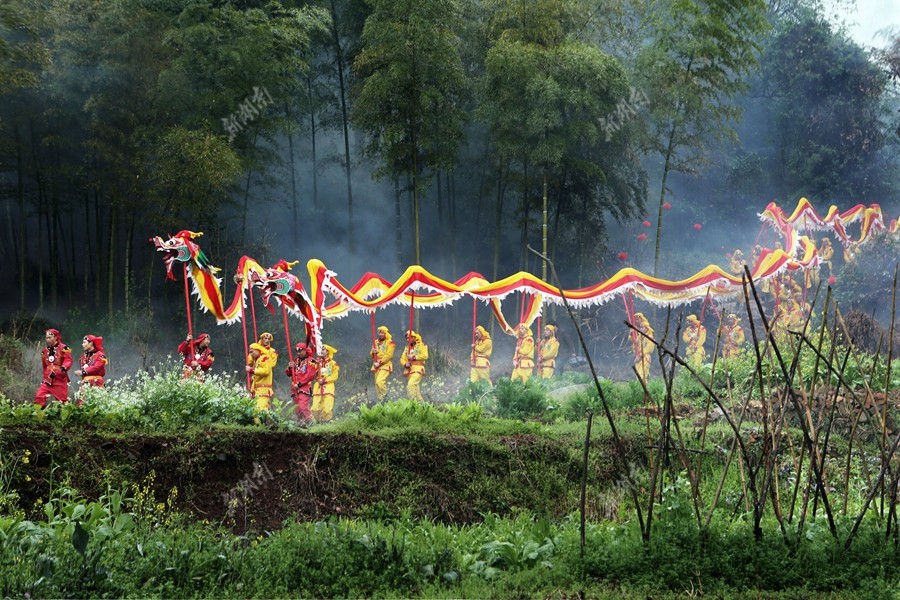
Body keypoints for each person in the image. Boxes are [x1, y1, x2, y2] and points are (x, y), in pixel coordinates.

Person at [34, 328, 73, 408]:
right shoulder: (44, 351)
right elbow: (44, 366)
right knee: (39, 396)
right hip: (47, 379)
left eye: (50, 338)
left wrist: (63, 368)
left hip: (60, 378)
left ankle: (64, 417)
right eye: (47, 338)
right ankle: (39, 416)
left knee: (62, 401)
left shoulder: (63, 348)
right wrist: (45, 376)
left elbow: (68, 360)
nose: (48, 340)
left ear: (56, 337)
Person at [286, 342, 318, 423]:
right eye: (297, 351)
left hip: (304, 387)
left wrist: (299, 384)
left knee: (303, 406)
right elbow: (288, 374)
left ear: (305, 350)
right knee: (297, 408)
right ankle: (301, 423)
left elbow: (310, 375)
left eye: (300, 351)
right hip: (294, 388)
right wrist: (289, 368)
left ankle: (312, 422)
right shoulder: (296, 360)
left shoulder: (311, 361)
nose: (298, 353)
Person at [312, 344, 340, 422]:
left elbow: (335, 376)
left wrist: (325, 380)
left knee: (327, 409)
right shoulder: (316, 362)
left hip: (328, 387)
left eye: (323, 349)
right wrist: (317, 365)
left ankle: (326, 423)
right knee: (315, 408)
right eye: (320, 349)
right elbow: (312, 374)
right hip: (318, 387)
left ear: (327, 352)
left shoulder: (333, 363)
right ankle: (317, 422)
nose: (321, 351)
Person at [246, 342, 275, 410]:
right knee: (256, 410)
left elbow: (266, 371)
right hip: (257, 390)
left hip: (263, 389)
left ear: (257, 350)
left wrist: (252, 370)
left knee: (259, 410)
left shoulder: (265, 358)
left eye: (251, 352)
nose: (250, 354)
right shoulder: (256, 360)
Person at [370, 325, 395, 400]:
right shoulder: (375, 342)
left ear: (385, 334)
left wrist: (380, 362)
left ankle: (385, 397)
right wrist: (373, 352)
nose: (380, 334)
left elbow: (389, 355)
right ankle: (381, 401)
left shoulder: (390, 343)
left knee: (380, 382)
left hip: (385, 364)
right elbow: (371, 354)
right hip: (376, 365)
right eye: (379, 333)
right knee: (377, 386)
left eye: (382, 333)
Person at [403, 330, 429, 402]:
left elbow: (425, 356)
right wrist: (405, 363)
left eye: (409, 338)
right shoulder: (407, 348)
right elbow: (402, 359)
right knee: (416, 389)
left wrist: (414, 357)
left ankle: (413, 403)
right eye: (407, 339)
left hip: (418, 368)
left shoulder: (422, 345)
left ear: (414, 337)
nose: (408, 340)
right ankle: (422, 405)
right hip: (409, 370)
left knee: (410, 385)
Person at [631, 313, 654, 383]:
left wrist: (641, 356)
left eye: (642, 327)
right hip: (639, 357)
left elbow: (649, 349)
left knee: (642, 374)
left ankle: (644, 389)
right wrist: (631, 334)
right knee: (638, 373)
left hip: (645, 357)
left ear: (647, 328)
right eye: (640, 327)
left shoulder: (650, 337)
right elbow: (635, 343)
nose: (640, 329)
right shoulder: (640, 336)